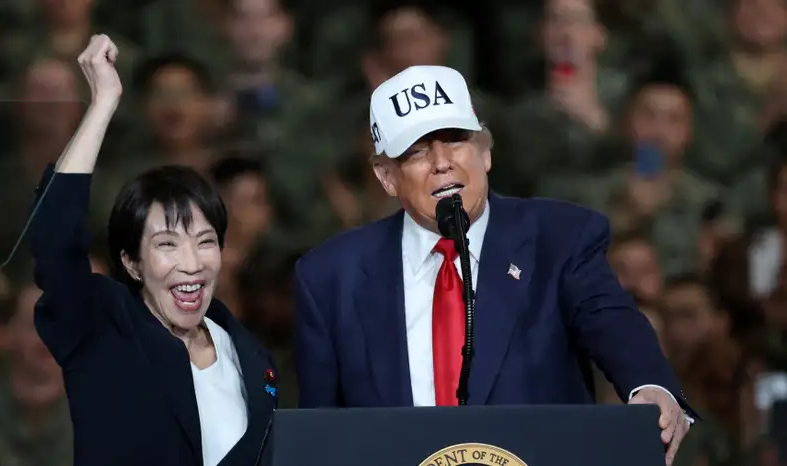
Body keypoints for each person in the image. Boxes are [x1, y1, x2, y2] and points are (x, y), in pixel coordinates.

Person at [294, 65, 696, 466]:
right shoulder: (331, 278)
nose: (441, 162)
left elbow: (611, 319)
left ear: (485, 151)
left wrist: (651, 386)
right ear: (386, 177)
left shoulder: (559, 239)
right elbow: (319, 438)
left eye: (455, 140)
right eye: (416, 150)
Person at [30, 35, 276, 466]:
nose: (192, 264)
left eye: (205, 242)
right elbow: (53, 231)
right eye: (166, 244)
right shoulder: (102, 328)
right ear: (131, 262)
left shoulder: (247, 350)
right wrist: (103, 103)